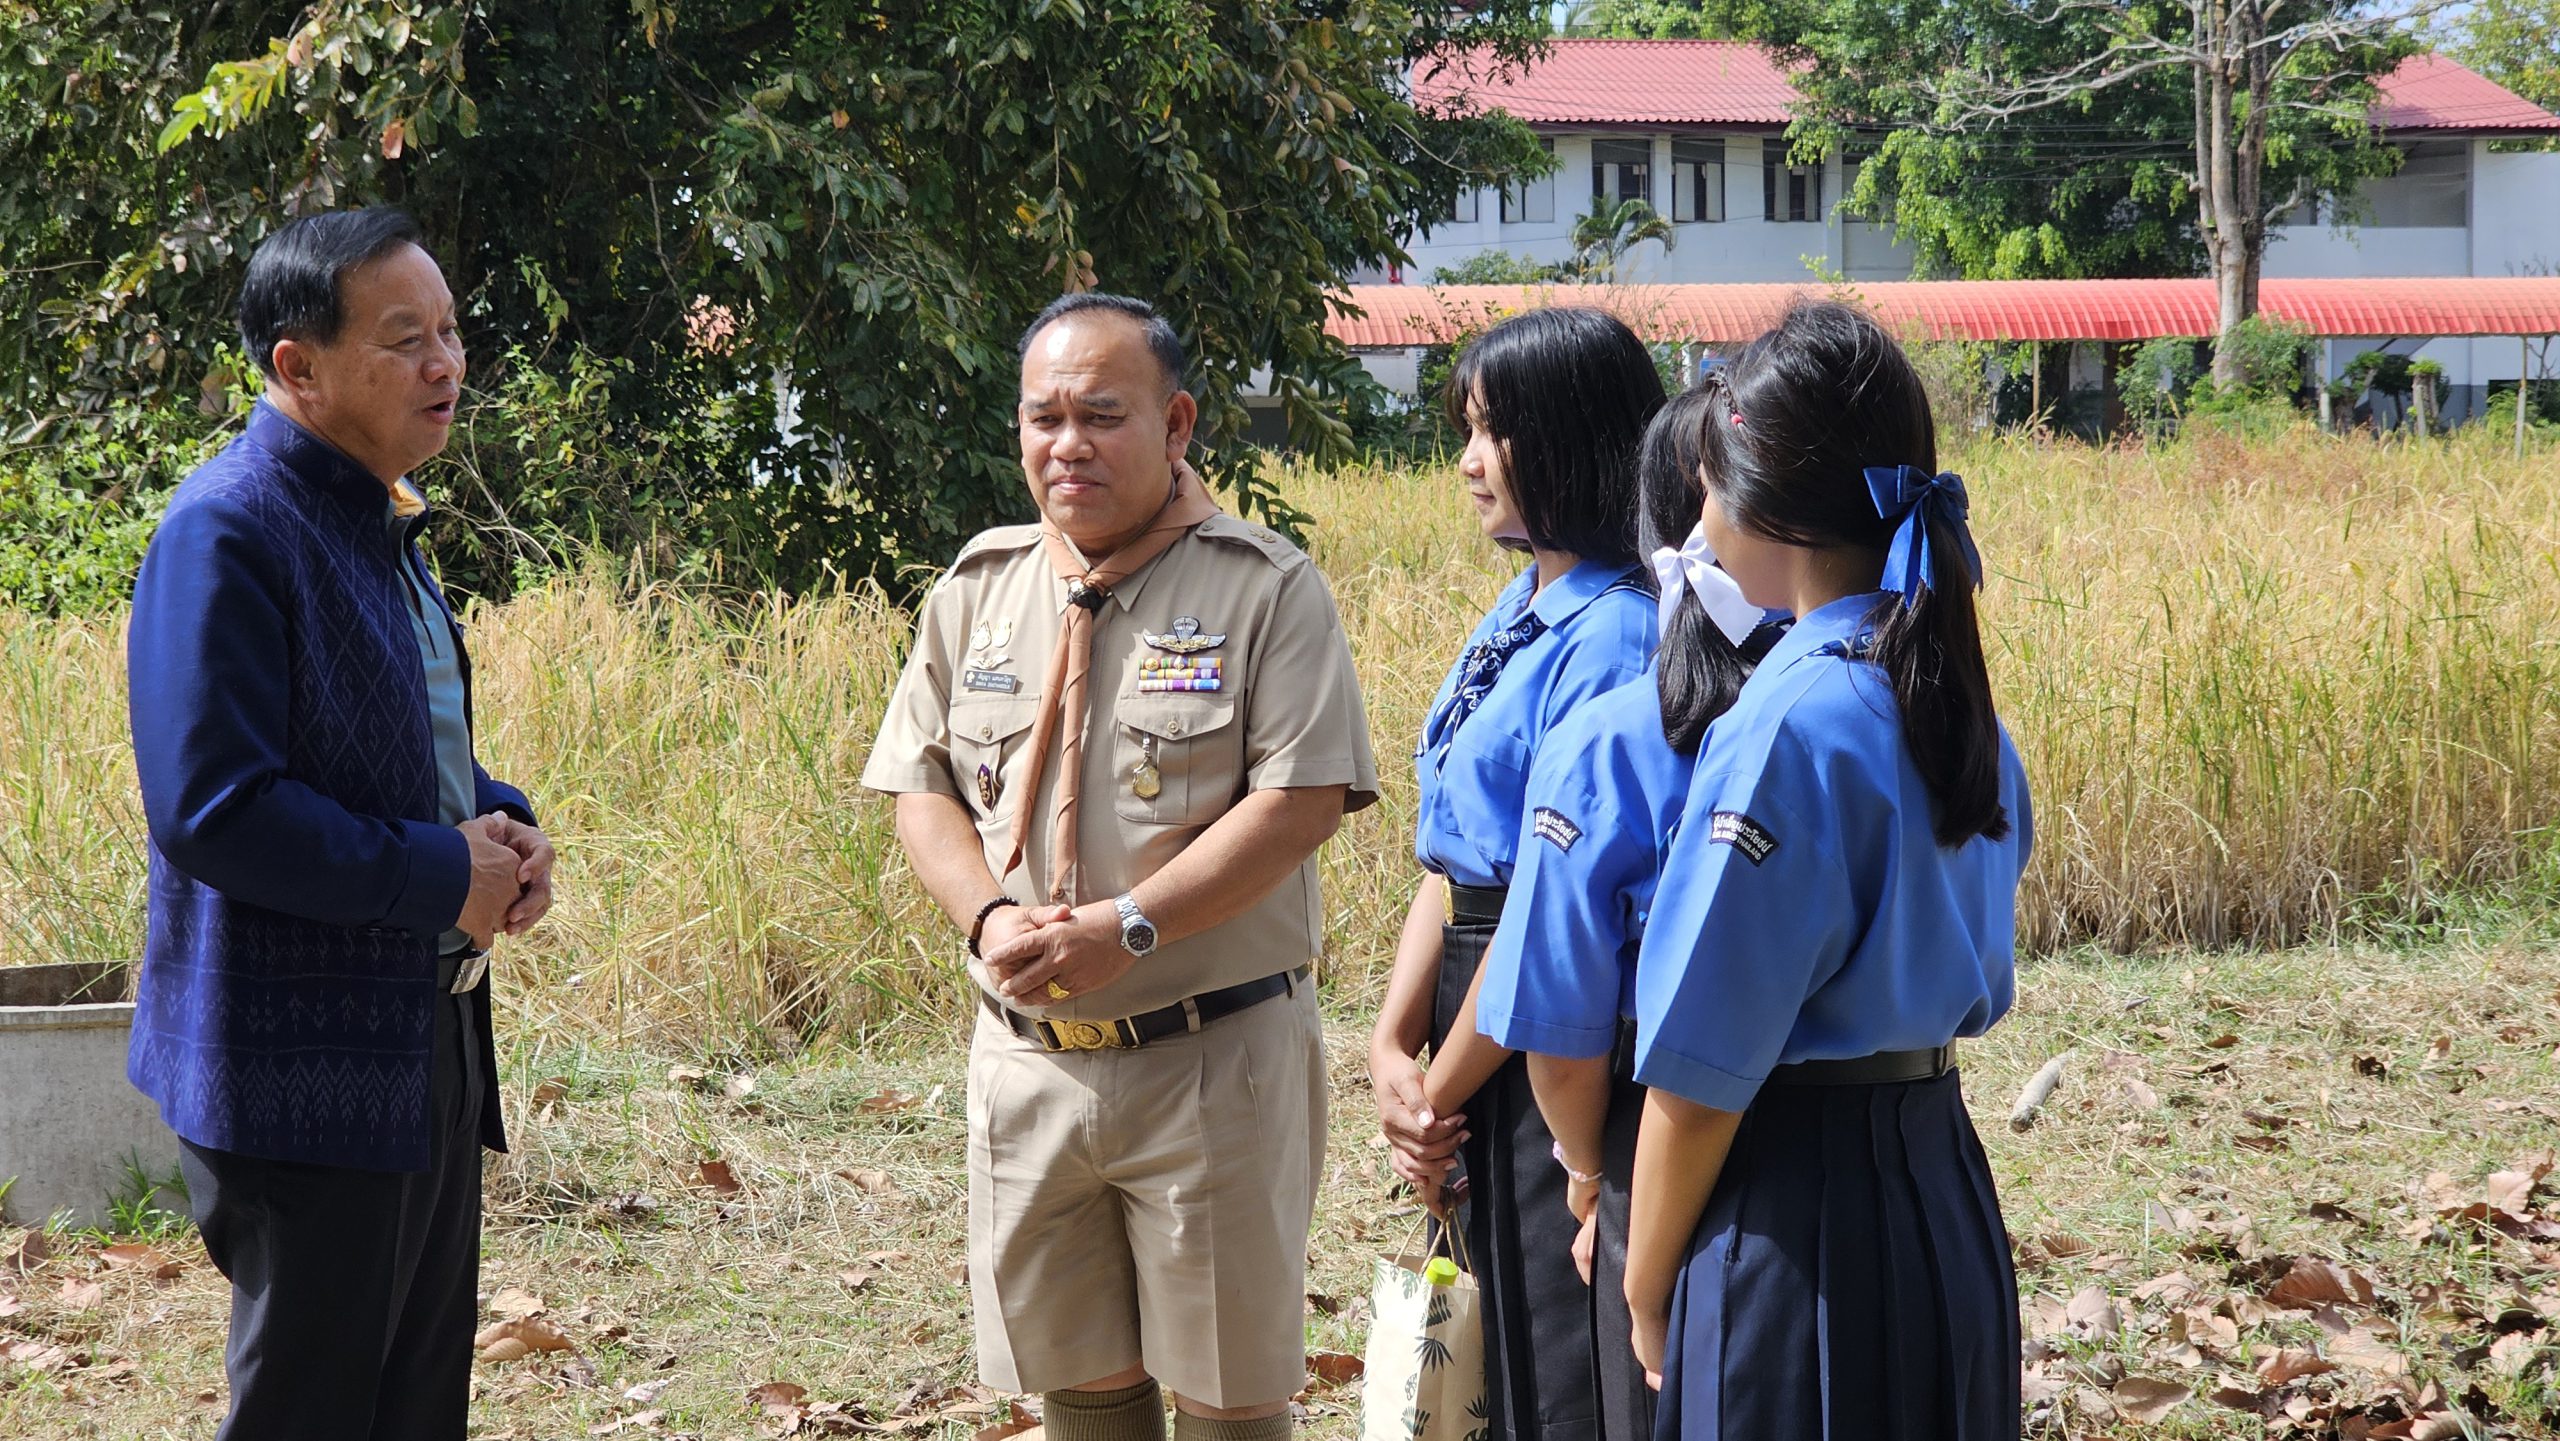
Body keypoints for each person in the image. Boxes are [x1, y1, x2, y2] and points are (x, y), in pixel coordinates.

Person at [861, 292, 1377, 1441]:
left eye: (1102, 414)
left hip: (1209, 1057)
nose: (1067, 444)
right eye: (1042, 417)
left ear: (1179, 422)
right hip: (1032, 1064)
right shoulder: (981, 588)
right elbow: (923, 785)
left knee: (1230, 1402)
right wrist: (989, 919)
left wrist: (1129, 925)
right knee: (1081, 1393)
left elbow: (1299, 802)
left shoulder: (1261, 585)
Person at [125, 206, 557, 1441]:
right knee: (313, 1413)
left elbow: (404, 751)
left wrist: (500, 826)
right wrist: (439, 871)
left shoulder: (380, 519)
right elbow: (216, 808)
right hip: (296, 1062)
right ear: (296, 368)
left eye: (452, 332)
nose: (445, 364)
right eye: (404, 338)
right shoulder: (230, 528)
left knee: (414, 1407)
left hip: (422, 1035)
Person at [1623, 300, 2031, 1440]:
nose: (1698, 519)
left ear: (1764, 502)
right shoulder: (1954, 705)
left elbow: (1700, 1078)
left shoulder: (1782, 724)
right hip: (1939, 1183)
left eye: (1708, 487)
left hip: (1792, 1219)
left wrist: (1647, 1282)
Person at [1368, 307, 1665, 1441]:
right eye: (1467, 429)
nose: (1466, 461)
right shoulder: (1524, 602)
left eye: (1496, 433)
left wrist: (1432, 1091)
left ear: (1578, 440)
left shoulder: (1616, 633)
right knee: (1488, 1344)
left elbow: (1550, 914)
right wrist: (1389, 1049)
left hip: (1544, 1030)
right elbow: (1454, 854)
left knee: (1554, 1355)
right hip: (1466, 1018)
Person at [1471, 386, 1788, 1441]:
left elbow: (1561, 1035)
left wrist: (1593, 1180)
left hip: (1651, 1133)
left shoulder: (1617, 736)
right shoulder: (1878, 705)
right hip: (1871, 1150)